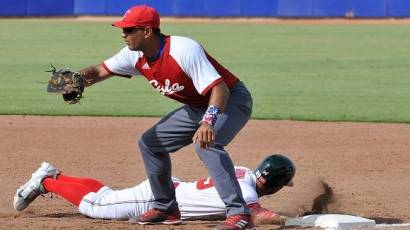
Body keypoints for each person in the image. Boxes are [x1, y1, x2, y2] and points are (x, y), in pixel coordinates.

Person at [63, 4, 255, 229]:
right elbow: (98, 71)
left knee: (206, 144)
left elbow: (220, 89)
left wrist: (208, 122)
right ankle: (166, 207)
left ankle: (239, 213)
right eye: (122, 29)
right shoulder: (134, 56)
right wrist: (77, 78)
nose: (123, 34)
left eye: (129, 29)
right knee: (151, 143)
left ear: (147, 31)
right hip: (196, 106)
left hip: (231, 100)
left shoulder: (183, 49)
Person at [13, 154, 295, 227]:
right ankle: (46, 182)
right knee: (95, 206)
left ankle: (56, 175)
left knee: (107, 196)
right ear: (275, 182)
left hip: (169, 191)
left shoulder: (244, 171)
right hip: (160, 198)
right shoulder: (247, 191)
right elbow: (258, 215)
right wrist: (292, 221)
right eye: (283, 184)